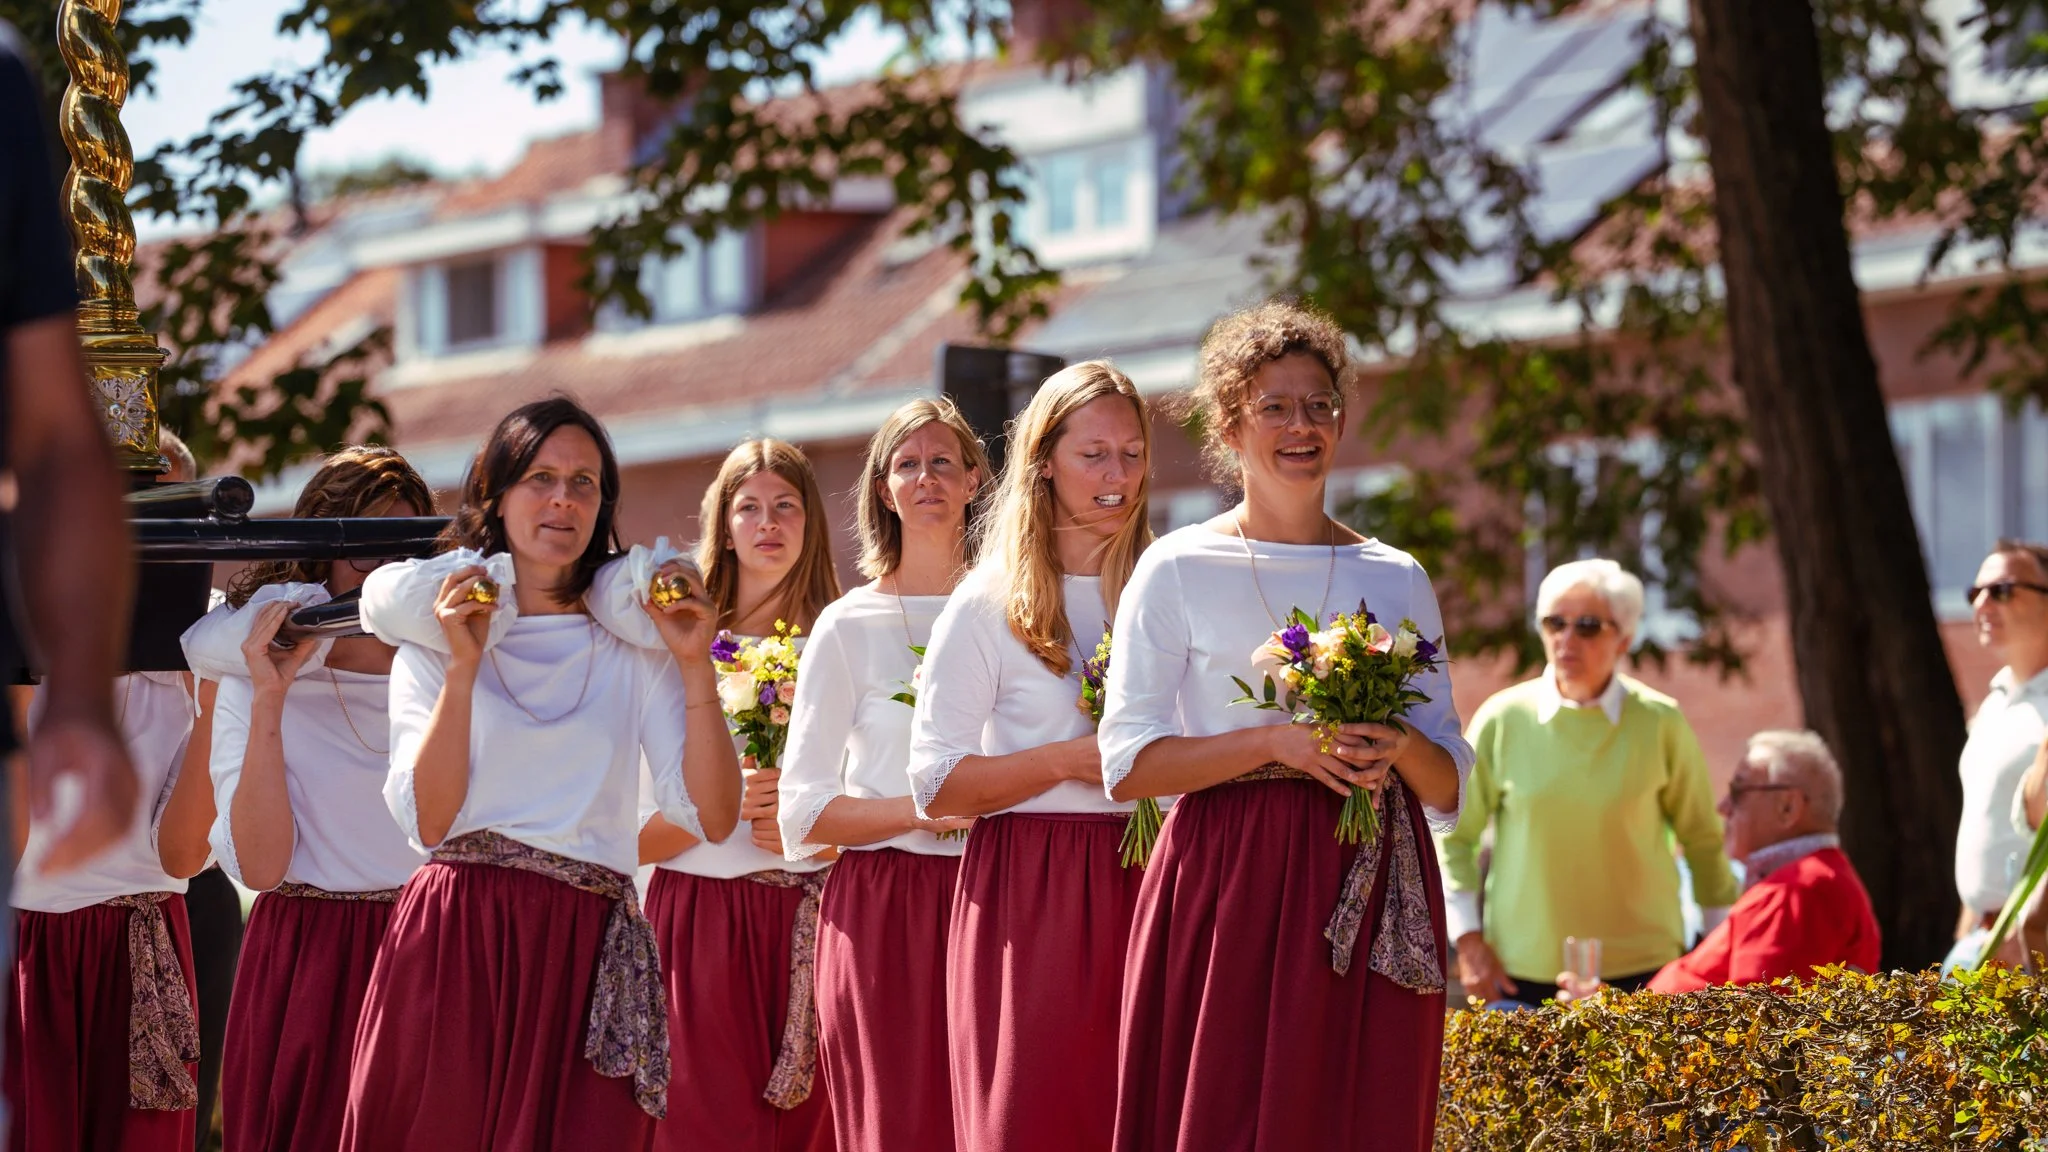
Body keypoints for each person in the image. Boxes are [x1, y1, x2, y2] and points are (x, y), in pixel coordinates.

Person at [1101, 300, 1468, 1151]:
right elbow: (1127, 763)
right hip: (1231, 876)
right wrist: (1274, 743)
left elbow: (1450, 783)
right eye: (1274, 406)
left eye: (1319, 405)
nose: (1301, 426)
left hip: (1372, 879)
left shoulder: (1397, 575)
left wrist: (1399, 745)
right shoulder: (1177, 565)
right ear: (1230, 425)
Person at [339, 398, 738, 1150]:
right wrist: (463, 668)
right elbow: (429, 820)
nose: (563, 498)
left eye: (585, 483)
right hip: (460, 940)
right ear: (494, 493)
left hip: (587, 952)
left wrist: (693, 664)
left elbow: (713, 817)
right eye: (542, 478)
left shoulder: (637, 644)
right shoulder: (435, 637)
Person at [903, 362, 1153, 1152]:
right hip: (1032, 892)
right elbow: (935, 785)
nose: (1117, 477)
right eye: (1094, 455)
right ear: (1043, 459)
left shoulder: (1165, 589)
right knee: (1038, 1118)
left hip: (1154, 878)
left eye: (1133, 454)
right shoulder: (988, 601)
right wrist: (1066, 762)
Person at [178, 447, 433, 1152]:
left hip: (427, 953)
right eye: (361, 546)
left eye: (402, 548)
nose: (381, 572)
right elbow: (258, 869)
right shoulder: (256, 660)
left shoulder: (445, 669)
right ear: (321, 549)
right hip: (306, 960)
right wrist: (270, 697)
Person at [775, 399, 985, 1152]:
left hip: (999, 897)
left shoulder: (1022, 613)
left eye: (942, 461)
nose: (925, 477)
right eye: (906, 464)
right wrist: (918, 813)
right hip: (883, 910)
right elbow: (803, 811)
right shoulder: (847, 625)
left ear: (974, 478)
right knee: (896, 1129)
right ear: (884, 490)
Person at [637, 438, 841, 1152]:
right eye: (748, 507)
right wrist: (714, 809)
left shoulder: (844, 640)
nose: (768, 523)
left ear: (811, 521)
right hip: (697, 926)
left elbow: (895, 801)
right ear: (722, 523)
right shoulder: (672, 645)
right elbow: (623, 830)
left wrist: (818, 830)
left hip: (814, 924)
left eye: (786, 505)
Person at [6, 431, 201, 1152]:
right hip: (37, 939)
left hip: (148, 933)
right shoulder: (26, 635)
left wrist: (216, 683)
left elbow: (181, 853)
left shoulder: (197, 645)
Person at [1436, 558, 1738, 1007]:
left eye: (1589, 626)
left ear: (1624, 639)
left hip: (1648, 977)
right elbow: (1455, 836)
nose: (1566, 639)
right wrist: (1469, 940)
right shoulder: (1503, 720)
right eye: (1554, 622)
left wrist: (1718, 956)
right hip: (1519, 978)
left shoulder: (1661, 722)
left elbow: (1703, 841)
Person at [1558, 730, 1878, 997]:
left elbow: (1750, 1030)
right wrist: (1610, 1011)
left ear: (1787, 807)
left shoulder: (1796, 890)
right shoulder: (1808, 880)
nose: (1723, 807)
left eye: (1738, 791)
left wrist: (1614, 1023)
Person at [1948, 539, 2048, 969]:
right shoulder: (1994, 701)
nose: (1982, 603)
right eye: (1976, 592)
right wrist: (1969, 924)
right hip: (1976, 944)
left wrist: (2026, 927)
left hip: (2029, 948)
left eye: (2003, 589)